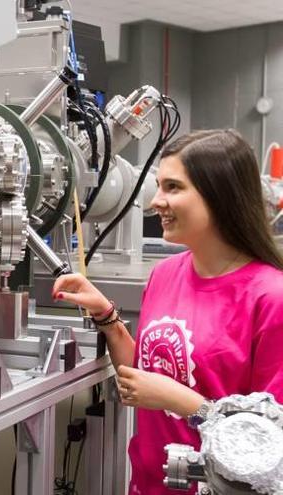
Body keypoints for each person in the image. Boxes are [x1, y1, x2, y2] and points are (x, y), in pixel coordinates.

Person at [52, 129, 283, 494]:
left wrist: (181, 401)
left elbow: (272, 443)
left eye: (173, 187)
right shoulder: (164, 274)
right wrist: (107, 319)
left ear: (220, 196)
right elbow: (145, 379)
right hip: (148, 482)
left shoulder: (270, 297)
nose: (156, 201)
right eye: (159, 186)